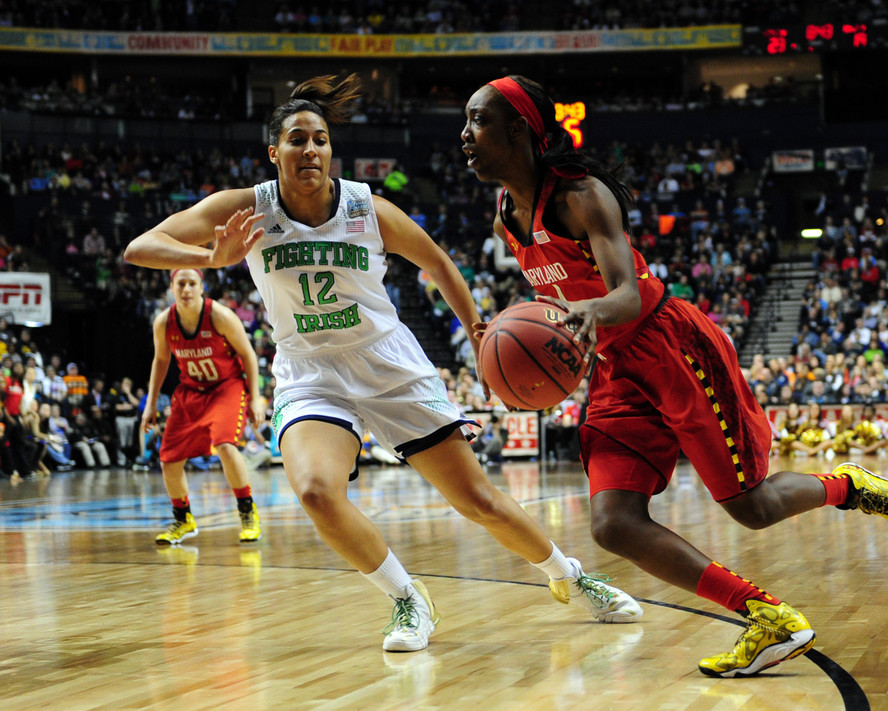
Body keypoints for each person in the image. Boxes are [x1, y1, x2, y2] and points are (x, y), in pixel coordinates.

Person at [124, 74, 641, 654]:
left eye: (320, 140)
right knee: (316, 491)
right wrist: (208, 258)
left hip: (388, 364)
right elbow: (139, 247)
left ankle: (571, 575)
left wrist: (478, 335)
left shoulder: (365, 207)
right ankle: (407, 597)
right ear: (274, 153)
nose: (310, 150)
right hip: (310, 372)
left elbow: (438, 264)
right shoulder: (247, 207)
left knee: (477, 500)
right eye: (297, 140)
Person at [462, 74, 888, 677]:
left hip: (670, 347)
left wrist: (588, 312)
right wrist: (518, 357)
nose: (465, 135)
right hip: (615, 368)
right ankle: (766, 616)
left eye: (478, 121)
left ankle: (849, 487)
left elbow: (627, 294)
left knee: (752, 507)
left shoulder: (581, 197)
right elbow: (554, 307)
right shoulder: (506, 215)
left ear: (520, 130)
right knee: (613, 524)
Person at [139, 267, 264, 546]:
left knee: (225, 445)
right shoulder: (164, 322)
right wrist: (151, 403)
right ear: (171, 287)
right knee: (168, 459)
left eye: (192, 283)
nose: (186, 289)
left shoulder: (219, 315)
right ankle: (183, 519)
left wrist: (255, 396)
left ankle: (247, 512)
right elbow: (161, 361)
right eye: (180, 284)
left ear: (201, 287)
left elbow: (247, 354)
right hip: (191, 391)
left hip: (226, 387)